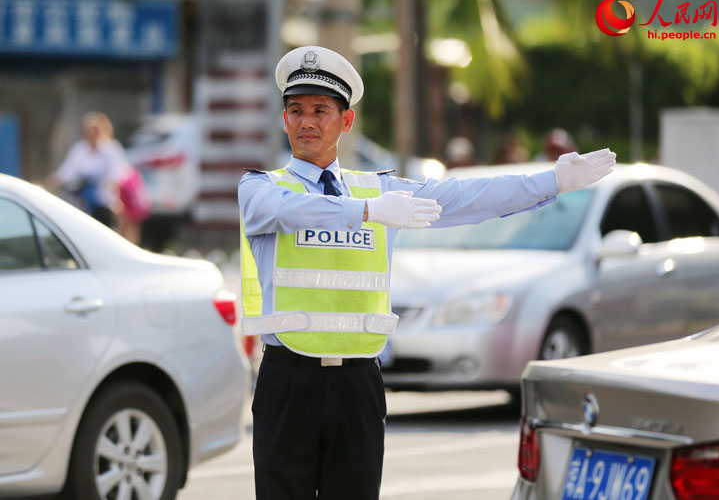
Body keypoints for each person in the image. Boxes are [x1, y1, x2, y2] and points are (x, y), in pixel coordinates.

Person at [238, 45, 615, 500]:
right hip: (288, 380)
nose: (306, 122)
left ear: (347, 121)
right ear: (284, 120)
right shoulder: (262, 188)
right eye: (295, 111)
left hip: (358, 384)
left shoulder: (379, 189)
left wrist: (551, 182)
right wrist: (367, 211)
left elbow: (465, 198)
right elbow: (287, 210)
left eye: (321, 110)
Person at [47, 111, 129, 227]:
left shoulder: (111, 150)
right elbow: (65, 173)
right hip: (82, 203)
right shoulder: (80, 150)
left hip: (104, 203)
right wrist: (46, 186)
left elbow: (118, 176)